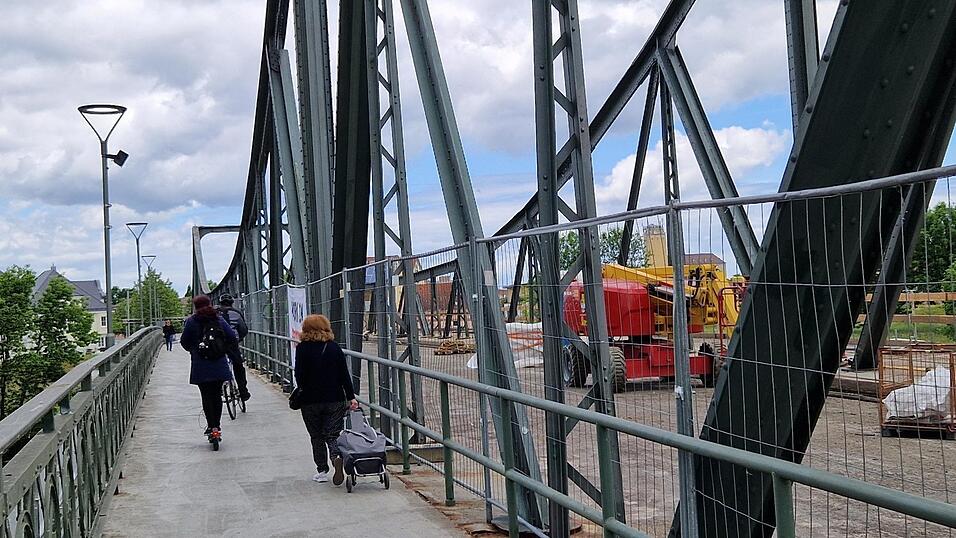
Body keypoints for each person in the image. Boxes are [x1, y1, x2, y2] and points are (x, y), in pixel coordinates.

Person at [294, 314, 358, 484]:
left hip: (310, 400)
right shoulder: (334, 347)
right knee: (333, 434)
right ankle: (336, 457)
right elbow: (344, 375)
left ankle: (322, 471)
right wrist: (351, 397)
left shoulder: (302, 349)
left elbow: (299, 376)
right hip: (335, 399)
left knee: (316, 436)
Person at [180, 295, 238, 444]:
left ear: (195, 307)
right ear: (210, 304)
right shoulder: (218, 319)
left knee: (206, 396)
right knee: (217, 395)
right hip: (218, 363)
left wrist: (194, 350)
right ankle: (217, 427)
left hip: (201, 364)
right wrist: (222, 349)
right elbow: (232, 337)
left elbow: (184, 341)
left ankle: (211, 427)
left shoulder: (192, 321)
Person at [217, 294, 250, 401]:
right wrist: (239, 338)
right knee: (238, 366)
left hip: (218, 344)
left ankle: (219, 388)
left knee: (217, 363)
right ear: (232, 303)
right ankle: (243, 391)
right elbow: (243, 330)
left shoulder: (215, 313)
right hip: (232, 343)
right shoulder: (237, 313)